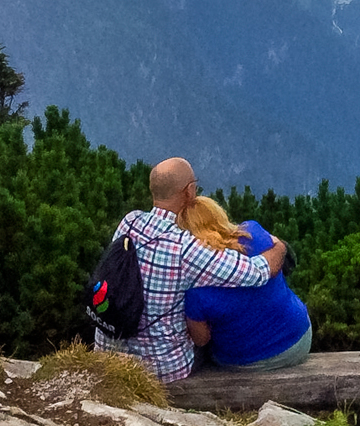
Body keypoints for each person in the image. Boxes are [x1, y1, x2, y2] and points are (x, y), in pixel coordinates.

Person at [94, 157, 287, 383]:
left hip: (107, 354)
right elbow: (257, 272)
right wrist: (280, 247)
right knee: (209, 340)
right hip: (158, 369)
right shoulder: (187, 248)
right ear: (189, 191)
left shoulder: (129, 221)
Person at [178, 196, 312, 370]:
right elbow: (279, 248)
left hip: (246, 361)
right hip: (299, 340)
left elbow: (201, 339)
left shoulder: (196, 291)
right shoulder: (253, 232)